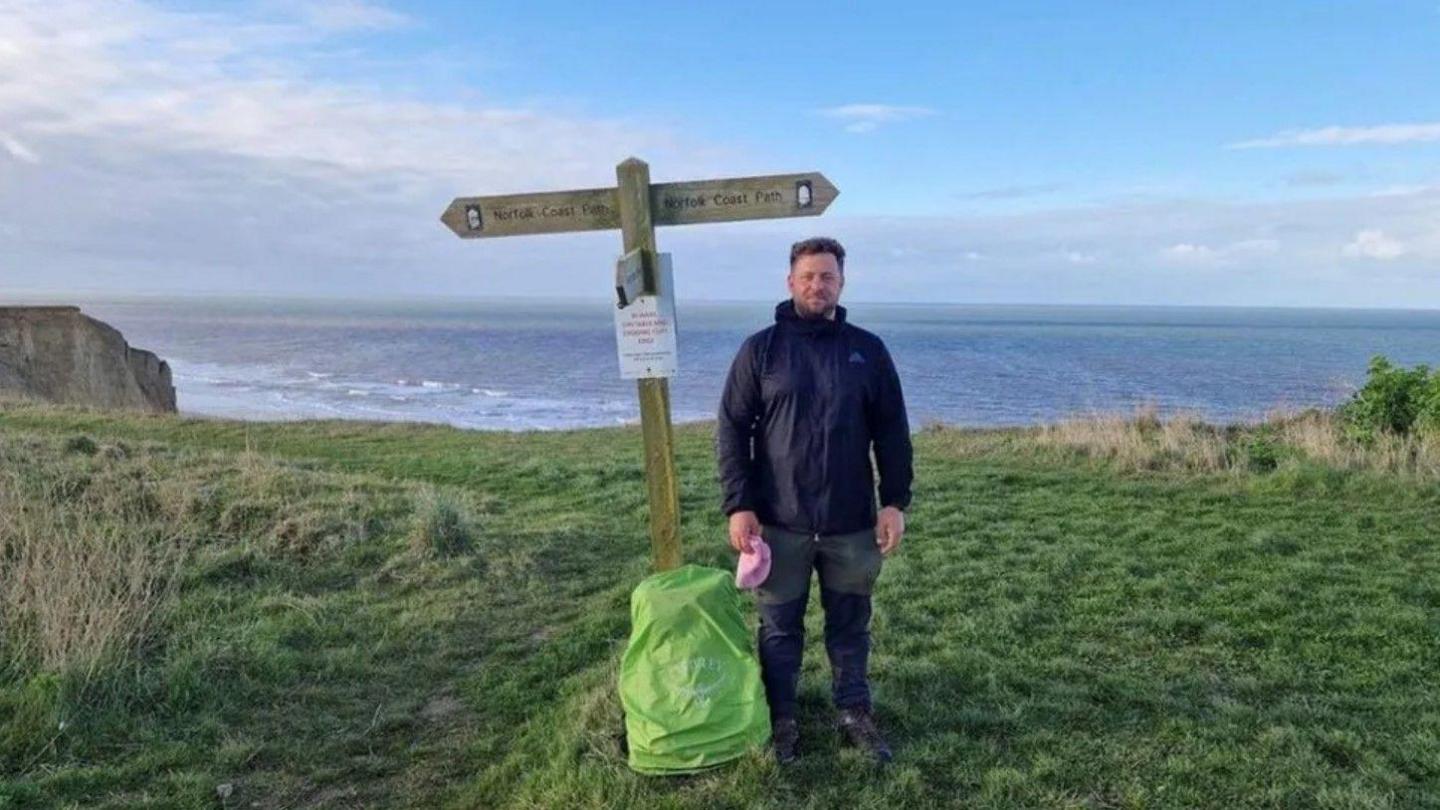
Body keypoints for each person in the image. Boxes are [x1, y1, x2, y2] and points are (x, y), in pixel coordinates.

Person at [715, 236, 913, 765]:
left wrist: (894, 501)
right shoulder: (762, 351)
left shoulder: (867, 350)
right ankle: (782, 719)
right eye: (807, 276)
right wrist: (739, 504)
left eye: (827, 276)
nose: (816, 285)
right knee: (780, 627)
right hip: (779, 522)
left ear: (841, 282)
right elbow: (732, 429)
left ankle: (853, 711)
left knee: (850, 623)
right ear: (790, 282)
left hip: (851, 521)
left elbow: (892, 431)